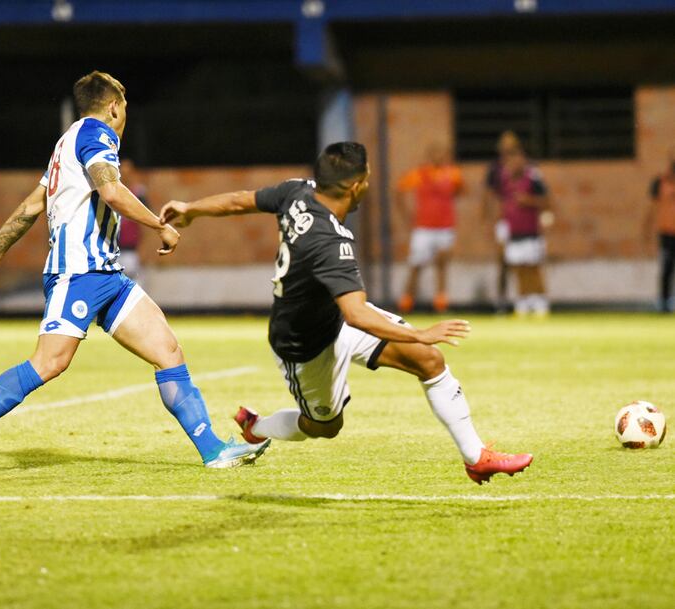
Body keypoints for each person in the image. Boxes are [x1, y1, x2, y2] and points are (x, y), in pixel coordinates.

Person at [0, 71, 269, 475]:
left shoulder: (66, 142)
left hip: (108, 275)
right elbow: (111, 191)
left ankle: (212, 450)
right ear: (114, 107)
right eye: (124, 108)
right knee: (48, 364)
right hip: (78, 273)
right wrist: (160, 225)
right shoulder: (96, 135)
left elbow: (31, 207)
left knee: (168, 351)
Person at [162, 142, 533, 485]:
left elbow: (242, 200)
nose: (370, 184)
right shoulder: (330, 242)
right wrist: (420, 332)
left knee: (428, 360)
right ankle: (257, 427)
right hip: (304, 345)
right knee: (323, 427)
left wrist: (191, 208)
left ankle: (476, 456)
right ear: (356, 187)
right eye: (368, 178)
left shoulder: (298, 190)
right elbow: (356, 313)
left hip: (334, 317)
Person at [395, 142, 464, 314]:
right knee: (416, 264)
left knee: (442, 264)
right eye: (436, 154)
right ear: (430, 155)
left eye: (443, 154)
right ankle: (406, 302)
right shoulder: (420, 174)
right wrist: (406, 216)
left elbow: (461, 190)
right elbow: (399, 191)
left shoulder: (453, 174)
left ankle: (441, 303)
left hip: (445, 227)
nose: (440, 158)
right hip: (424, 227)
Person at [487, 142, 551, 317]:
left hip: (531, 230)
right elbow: (500, 201)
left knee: (533, 267)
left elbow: (547, 201)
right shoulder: (504, 179)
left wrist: (529, 201)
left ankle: (539, 301)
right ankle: (523, 300)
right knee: (518, 268)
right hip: (513, 230)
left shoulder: (533, 178)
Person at [482, 131, 521, 313]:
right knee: (503, 260)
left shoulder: (525, 167)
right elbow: (489, 195)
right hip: (504, 220)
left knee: (524, 263)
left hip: (522, 221)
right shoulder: (495, 169)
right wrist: (488, 219)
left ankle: (525, 300)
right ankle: (502, 300)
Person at [644, 147, 675, 312]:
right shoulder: (660, 182)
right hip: (666, 233)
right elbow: (651, 209)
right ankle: (664, 301)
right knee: (667, 268)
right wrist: (646, 232)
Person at [116, 158, 146, 281]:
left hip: (131, 251)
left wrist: (143, 251)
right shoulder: (111, 194)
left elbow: (145, 225)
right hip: (113, 251)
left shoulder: (137, 194)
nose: (125, 176)